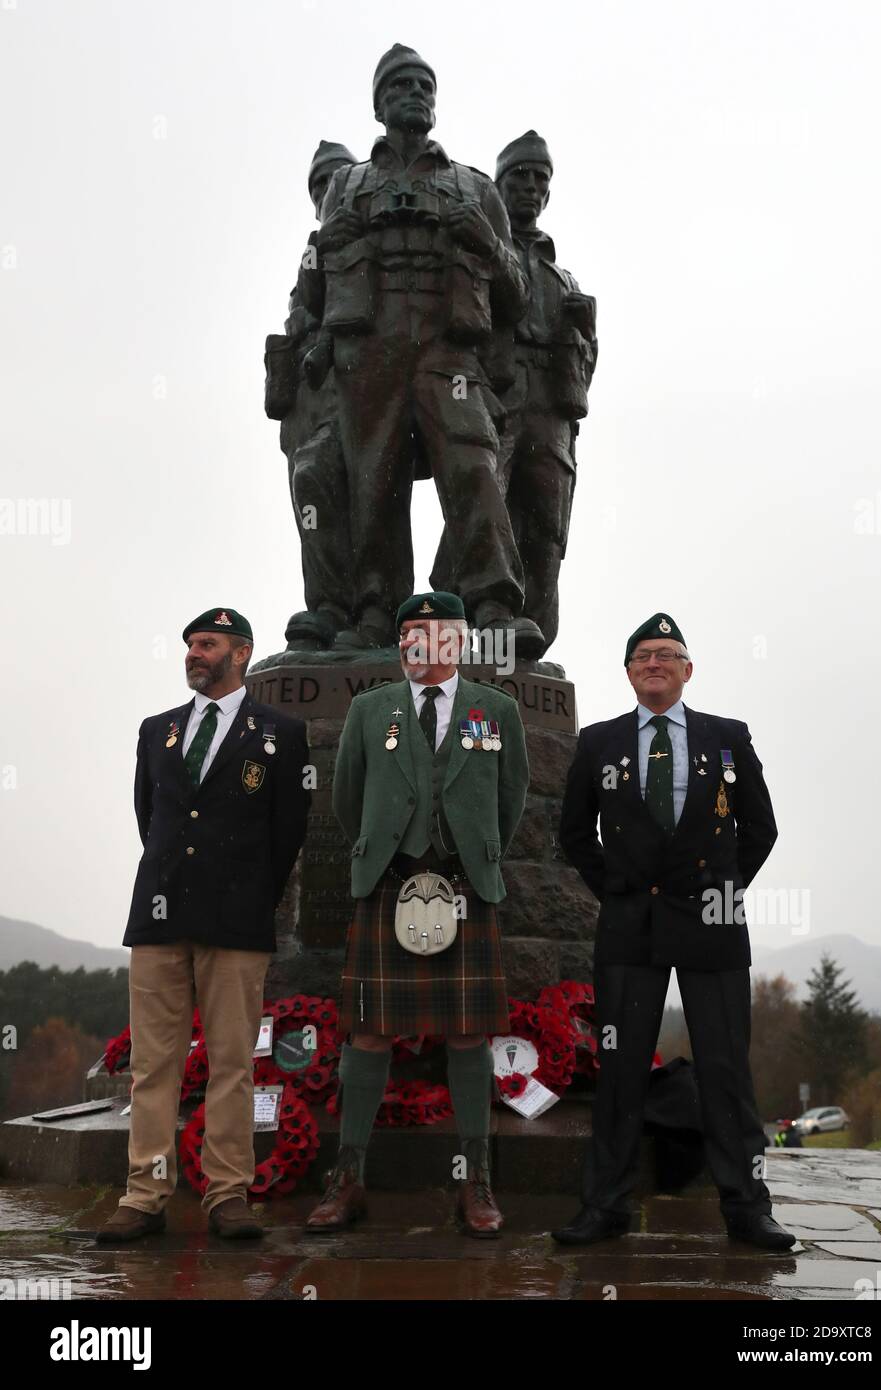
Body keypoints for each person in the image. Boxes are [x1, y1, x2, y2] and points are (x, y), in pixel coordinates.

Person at [552, 613, 795, 1250]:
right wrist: (620, 890)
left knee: (725, 1069)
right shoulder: (599, 742)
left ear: (688, 669)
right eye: (641, 656)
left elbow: (761, 827)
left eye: (666, 654)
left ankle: (747, 1207)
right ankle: (605, 1206)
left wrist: (721, 888)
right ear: (628, 672)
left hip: (711, 922)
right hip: (630, 923)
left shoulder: (728, 737)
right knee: (621, 1066)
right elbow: (575, 836)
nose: (653, 663)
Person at [304, 591, 528, 1236]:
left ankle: (477, 1184)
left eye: (427, 633)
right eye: (405, 634)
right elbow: (348, 796)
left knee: (468, 1035)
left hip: (464, 890)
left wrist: (473, 859)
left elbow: (509, 799)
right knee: (369, 1032)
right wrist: (388, 858)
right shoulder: (370, 710)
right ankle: (347, 1180)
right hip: (389, 885)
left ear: (458, 640)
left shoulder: (497, 711)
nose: (412, 643)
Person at [309, 45, 542, 651]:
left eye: (425, 86)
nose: (417, 95)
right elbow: (311, 290)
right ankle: (373, 612)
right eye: (403, 86)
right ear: (380, 104)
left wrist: (488, 242)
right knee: (374, 481)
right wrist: (323, 241)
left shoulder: (474, 186)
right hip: (371, 352)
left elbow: (515, 296)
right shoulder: (346, 184)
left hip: (448, 353)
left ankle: (492, 603)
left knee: (473, 467)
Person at [97, 609, 310, 1242]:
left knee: (231, 1063)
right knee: (154, 1065)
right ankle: (144, 1195)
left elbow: (286, 833)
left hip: (237, 920)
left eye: (208, 644)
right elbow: (150, 820)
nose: (195, 653)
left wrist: (247, 897)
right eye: (191, 643)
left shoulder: (279, 733)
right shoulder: (156, 731)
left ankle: (227, 1195)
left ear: (241, 654)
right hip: (160, 916)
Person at [432, 131, 597, 657]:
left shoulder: (563, 276)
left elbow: (587, 366)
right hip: (495, 396)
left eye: (540, 180)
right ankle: (450, 619)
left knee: (548, 527)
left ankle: (524, 644)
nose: (530, 188)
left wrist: (583, 333)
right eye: (520, 177)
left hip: (551, 411)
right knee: (482, 503)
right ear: (499, 186)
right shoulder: (477, 250)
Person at [266, 140, 357, 649]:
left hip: (360, 384)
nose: (330, 191)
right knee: (311, 495)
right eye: (320, 185)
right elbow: (302, 305)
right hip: (309, 396)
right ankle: (328, 605)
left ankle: (370, 609)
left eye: (337, 179)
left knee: (340, 484)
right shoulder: (316, 244)